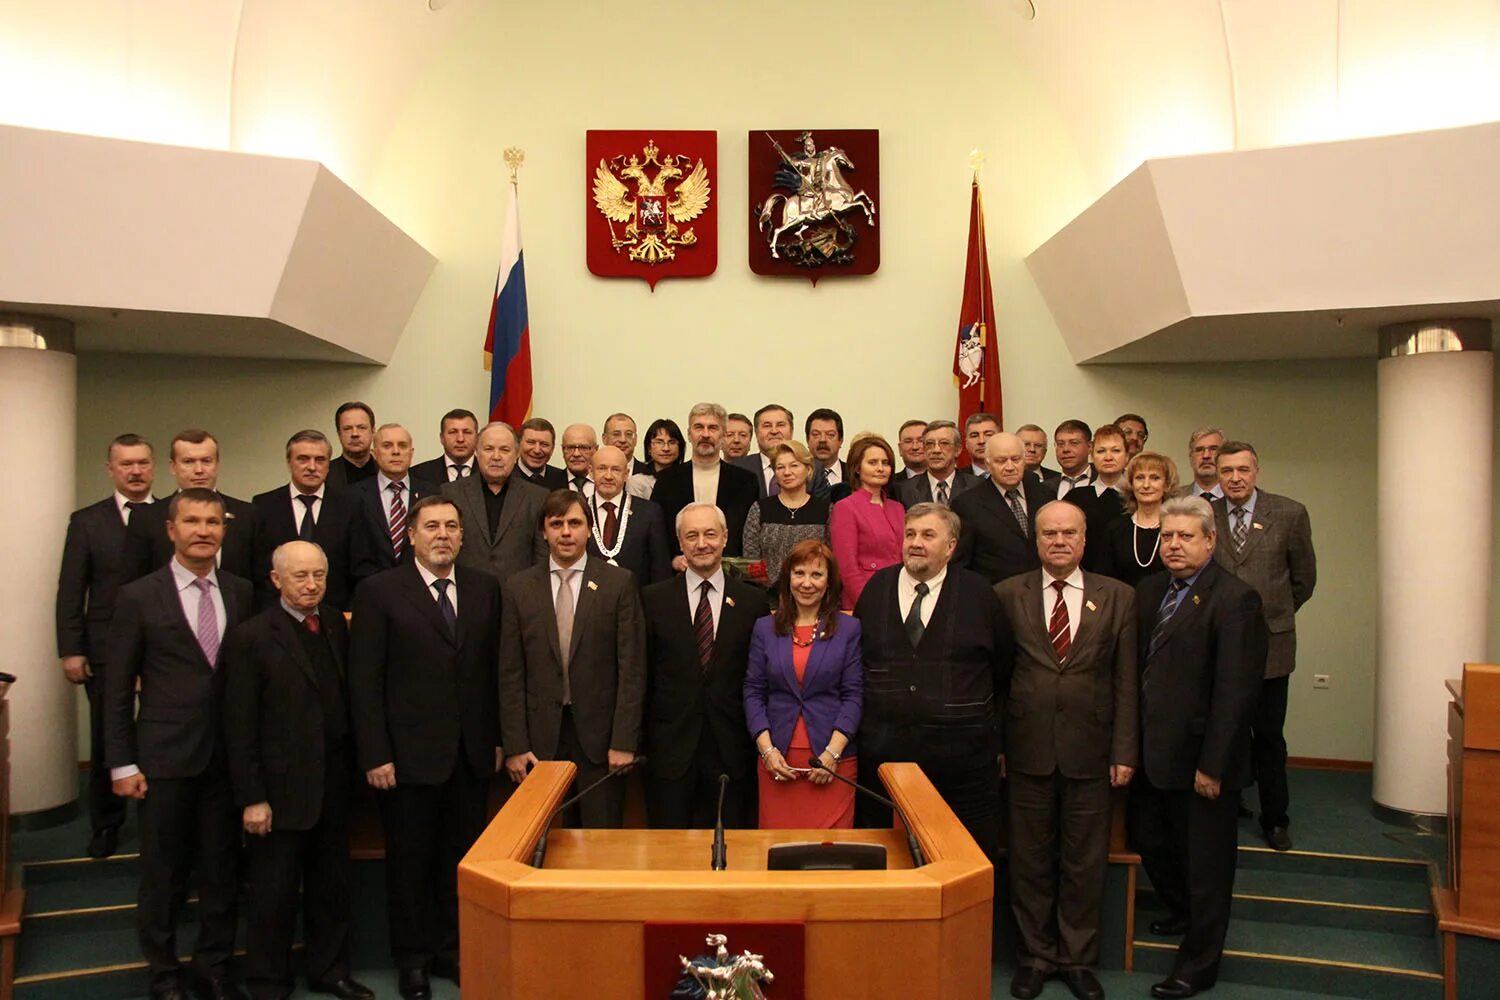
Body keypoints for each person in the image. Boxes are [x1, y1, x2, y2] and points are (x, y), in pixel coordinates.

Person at [104, 489, 254, 1000]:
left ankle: (212, 965)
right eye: (191, 520)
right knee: (163, 872)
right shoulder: (138, 596)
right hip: (164, 758)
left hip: (227, 759)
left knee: (221, 869)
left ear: (223, 530)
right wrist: (121, 762)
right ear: (171, 529)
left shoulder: (241, 591)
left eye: (213, 521)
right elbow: (117, 689)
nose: (203, 530)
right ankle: (164, 972)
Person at [349, 496, 501, 999]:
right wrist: (375, 753)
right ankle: (411, 960)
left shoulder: (484, 589)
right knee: (410, 864)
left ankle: (451, 950)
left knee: (460, 861)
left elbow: (492, 673)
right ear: (411, 535)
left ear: (462, 536)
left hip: (470, 755)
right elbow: (365, 681)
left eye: (451, 527)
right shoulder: (379, 592)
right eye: (432, 526)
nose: (443, 535)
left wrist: (496, 739)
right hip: (406, 758)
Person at [995, 501, 1137, 1000]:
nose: (1059, 541)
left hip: (1092, 750)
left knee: (1083, 860)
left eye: (1068, 533)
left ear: (1083, 539)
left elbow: (1125, 681)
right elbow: (996, 679)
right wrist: (998, 746)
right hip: (1025, 746)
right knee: (1029, 860)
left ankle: (1077, 959)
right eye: (1049, 533)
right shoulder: (1007, 594)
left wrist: (1124, 750)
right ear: (1036, 540)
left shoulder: (1117, 596)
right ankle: (1034, 957)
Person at [1130, 497, 1267, 1000]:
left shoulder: (1235, 599)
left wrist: (1214, 765)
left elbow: (1237, 692)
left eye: (1186, 537)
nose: (1174, 545)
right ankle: (1182, 912)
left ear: (1210, 541)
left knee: (1207, 867)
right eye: (1167, 537)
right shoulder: (1148, 592)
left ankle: (1200, 963)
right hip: (1151, 752)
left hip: (1204, 760)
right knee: (1151, 840)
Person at [223, 541, 373, 1000]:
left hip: (332, 781)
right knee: (274, 894)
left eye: (319, 576)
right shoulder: (251, 637)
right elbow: (238, 725)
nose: (311, 586)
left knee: (332, 887)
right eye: (300, 576)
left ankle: (330, 971)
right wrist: (252, 797)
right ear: (276, 580)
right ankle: (268, 981)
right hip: (278, 790)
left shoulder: (332, 623)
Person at [852, 503, 1012, 859]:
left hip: (963, 762)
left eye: (928, 535)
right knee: (886, 860)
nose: (916, 543)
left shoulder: (980, 594)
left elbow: (1002, 668)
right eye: (910, 534)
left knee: (965, 858)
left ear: (951, 546)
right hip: (885, 760)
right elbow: (859, 660)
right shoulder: (878, 588)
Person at [500, 490, 646, 828]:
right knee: (541, 845)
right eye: (557, 524)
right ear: (543, 531)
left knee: (600, 845)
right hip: (539, 743)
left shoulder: (618, 583)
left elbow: (632, 670)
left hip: (601, 741)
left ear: (589, 530)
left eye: (575, 523)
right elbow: (509, 672)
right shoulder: (519, 587)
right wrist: (515, 745)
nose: (566, 532)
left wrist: (624, 742)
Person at [1212, 441, 1316, 853]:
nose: (1235, 478)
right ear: (1217, 475)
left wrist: (1273, 614)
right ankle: (1224, 810)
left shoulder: (1289, 513)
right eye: (1227, 471)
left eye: (1242, 470)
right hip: (1218, 642)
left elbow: (1303, 580)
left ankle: (1276, 819)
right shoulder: (1206, 514)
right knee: (1222, 731)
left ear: (1256, 471)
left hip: (1271, 643)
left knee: (1269, 735)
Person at [55, 433, 155, 859]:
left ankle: (158, 821)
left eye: (142, 463)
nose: (135, 471)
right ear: (110, 469)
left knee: (160, 736)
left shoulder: (173, 516)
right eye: (126, 464)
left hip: (162, 649)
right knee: (106, 738)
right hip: (104, 648)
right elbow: (70, 590)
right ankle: (107, 823)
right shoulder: (87, 522)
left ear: (154, 466)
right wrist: (71, 649)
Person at [640, 503, 764, 828]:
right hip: (670, 750)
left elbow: (759, 680)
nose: (701, 543)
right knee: (668, 858)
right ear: (679, 542)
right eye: (691, 535)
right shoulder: (653, 600)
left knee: (734, 856)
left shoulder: (753, 602)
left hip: (733, 749)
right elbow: (643, 676)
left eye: (710, 534)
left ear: (725, 537)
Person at [745, 539, 863, 828]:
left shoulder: (849, 628)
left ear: (829, 582)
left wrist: (832, 754)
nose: (807, 583)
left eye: (816, 574)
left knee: (831, 857)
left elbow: (853, 695)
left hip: (832, 761)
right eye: (799, 573)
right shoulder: (765, 627)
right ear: (787, 578)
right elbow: (753, 691)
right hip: (777, 761)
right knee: (777, 854)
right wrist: (768, 751)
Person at [125, 428, 261, 582]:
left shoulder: (248, 515)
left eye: (206, 461)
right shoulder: (146, 518)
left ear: (217, 464)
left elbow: (260, 581)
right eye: (188, 462)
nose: (199, 470)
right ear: (173, 467)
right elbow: (133, 583)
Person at [251, 430, 357, 610]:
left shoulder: (350, 506)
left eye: (320, 460)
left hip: (335, 616)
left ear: (328, 465)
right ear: (289, 462)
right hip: (277, 617)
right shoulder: (263, 505)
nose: (312, 467)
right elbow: (259, 569)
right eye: (303, 459)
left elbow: (359, 568)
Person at [440, 421, 548, 585]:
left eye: (504, 450)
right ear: (477, 452)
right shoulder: (451, 493)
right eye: (489, 449)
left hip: (518, 597)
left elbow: (542, 557)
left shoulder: (537, 497)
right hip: (466, 593)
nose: (496, 456)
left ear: (516, 454)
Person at [651, 403, 759, 561]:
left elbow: (750, 534)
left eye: (713, 428)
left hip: (729, 575)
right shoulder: (667, 480)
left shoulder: (745, 481)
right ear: (689, 434)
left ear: (723, 436)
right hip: (680, 573)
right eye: (699, 427)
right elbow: (657, 532)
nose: (705, 434)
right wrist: (672, 559)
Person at [952, 432, 1050, 584]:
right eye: (1001, 461)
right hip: (995, 595)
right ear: (988, 463)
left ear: (1024, 460)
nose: (1009, 467)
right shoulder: (968, 504)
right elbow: (961, 564)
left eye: (1015, 459)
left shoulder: (1045, 495)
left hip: (1042, 592)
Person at [348, 423, 440, 586]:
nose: (396, 451)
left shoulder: (432, 494)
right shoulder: (353, 496)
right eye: (387, 446)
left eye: (402, 446)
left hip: (421, 589)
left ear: (411, 453)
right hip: (370, 590)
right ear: (374, 453)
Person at [828, 434, 904, 610]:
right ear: (857, 468)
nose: (880, 468)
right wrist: (867, 603)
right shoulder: (846, 507)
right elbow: (847, 568)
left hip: (899, 597)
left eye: (885, 463)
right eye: (873, 462)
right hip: (863, 600)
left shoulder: (897, 508)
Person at [741, 440, 830, 587]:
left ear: (808, 469)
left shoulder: (825, 510)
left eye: (794, 465)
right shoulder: (760, 509)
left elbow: (830, 560)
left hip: (813, 593)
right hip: (767, 599)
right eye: (780, 467)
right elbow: (751, 561)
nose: (787, 472)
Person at [586, 445, 671, 587]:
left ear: (626, 474)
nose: (608, 476)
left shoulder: (649, 512)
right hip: (589, 603)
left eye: (616, 469)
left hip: (636, 603)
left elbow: (660, 569)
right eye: (602, 468)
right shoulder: (578, 510)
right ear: (591, 472)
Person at [1099, 452, 1179, 586]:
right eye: (1140, 478)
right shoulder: (1116, 528)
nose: (1146, 485)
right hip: (1123, 604)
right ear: (1131, 483)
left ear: (1166, 485)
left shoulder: (1176, 527)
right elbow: (1103, 580)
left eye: (1155, 478)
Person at [1066, 424, 1130, 573]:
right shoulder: (1075, 498)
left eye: (1116, 451)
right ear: (1092, 456)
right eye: (1101, 451)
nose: (1108, 457)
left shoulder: (1137, 498)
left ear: (1127, 456)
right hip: (1084, 579)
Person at [895, 419, 976, 508]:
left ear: (958, 450)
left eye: (944, 443)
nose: (936, 450)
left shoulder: (976, 486)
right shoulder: (903, 490)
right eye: (929, 444)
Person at [733, 403, 795, 499]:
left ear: (791, 430)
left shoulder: (813, 468)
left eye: (780, 425)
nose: (774, 431)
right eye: (767, 426)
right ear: (756, 433)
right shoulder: (737, 469)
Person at [409, 408, 479, 484]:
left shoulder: (489, 473)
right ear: (442, 438)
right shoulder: (417, 474)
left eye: (467, 432)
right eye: (453, 432)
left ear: (477, 438)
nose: (460, 439)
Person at [325, 401, 378, 491]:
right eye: (347, 428)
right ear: (339, 434)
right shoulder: (324, 474)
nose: (355, 434)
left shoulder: (386, 473)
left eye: (361, 427)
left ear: (373, 432)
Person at [630, 417, 686, 499]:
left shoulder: (688, 478)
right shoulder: (637, 482)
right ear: (649, 448)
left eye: (672, 442)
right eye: (659, 442)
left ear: (680, 447)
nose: (666, 448)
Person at [806, 407, 848, 497]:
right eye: (816, 434)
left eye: (830, 435)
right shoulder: (798, 475)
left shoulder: (854, 474)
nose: (822, 440)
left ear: (841, 440)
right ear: (807, 440)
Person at [1046, 420, 1094, 498]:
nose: (1066, 449)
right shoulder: (1045, 488)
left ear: (1089, 446)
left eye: (1074, 443)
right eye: (1060, 444)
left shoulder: (1103, 480)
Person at [516, 416, 567, 489]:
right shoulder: (505, 476)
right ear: (519, 444)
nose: (537, 450)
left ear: (552, 448)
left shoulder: (563, 479)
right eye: (531, 442)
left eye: (544, 444)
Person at [1186, 427, 1226, 501]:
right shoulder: (1172, 498)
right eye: (1199, 450)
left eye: (1213, 449)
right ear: (1191, 457)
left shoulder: (1237, 496)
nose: (1206, 456)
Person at [560, 422, 598, 495]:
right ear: (562, 450)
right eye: (570, 447)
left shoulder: (607, 482)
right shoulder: (548, 485)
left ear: (596, 450)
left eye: (584, 447)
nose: (576, 454)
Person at [964, 412, 1001, 478]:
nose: (981, 441)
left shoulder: (1018, 476)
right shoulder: (955, 481)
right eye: (974, 436)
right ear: (966, 443)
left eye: (988, 434)